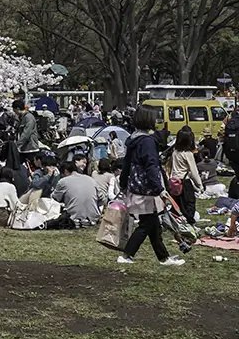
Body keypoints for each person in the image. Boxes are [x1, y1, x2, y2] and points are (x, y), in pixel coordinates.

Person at [118, 106, 184, 266]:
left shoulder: (134, 139)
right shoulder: (147, 141)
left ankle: (164, 257)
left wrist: (123, 183)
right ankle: (127, 255)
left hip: (137, 185)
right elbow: (152, 166)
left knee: (153, 224)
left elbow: (126, 163)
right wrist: (160, 189)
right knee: (147, 224)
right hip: (147, 189)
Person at [51, 160, 105, 225]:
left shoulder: (63, 181)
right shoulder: (91, 179)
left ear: (65, 171)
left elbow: (55, 198)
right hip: (94, 218)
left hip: (73, 219)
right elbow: (102, 199)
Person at [169, 126, 204, 224]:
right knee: (189, 204)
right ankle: (189, 222)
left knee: (177, 204)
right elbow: (194, 172)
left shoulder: (175, 152)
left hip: (174, 181)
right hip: (185, 182)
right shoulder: (188, 154)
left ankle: (176, 222)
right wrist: (200, 185)